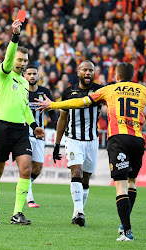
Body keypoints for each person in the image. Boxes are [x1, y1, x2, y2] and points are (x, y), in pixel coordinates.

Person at [34, 62, 146, 240]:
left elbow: (81, 102)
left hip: (118, 139)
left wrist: (52, 105)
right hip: (138, 140)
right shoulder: (143, 90)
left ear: (116, 76)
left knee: (121, 186)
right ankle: (119, 223)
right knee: (132, 183)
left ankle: (127, 232)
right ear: (133, 77)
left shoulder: (110, 90)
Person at [0, 19, 45, 225]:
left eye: (25, 60)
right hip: (1, 128)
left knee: (26, 170)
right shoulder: (3, 74)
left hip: (21, 130)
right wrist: (15, 36)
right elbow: (9, 56)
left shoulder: (23, 82)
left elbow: (23, 108)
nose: (22, 63)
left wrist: (34, 126)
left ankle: (17, 213)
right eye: (19, 60)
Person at [53, 60, 103, 227]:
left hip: (92, 140)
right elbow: (62, 119)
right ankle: (80, 212)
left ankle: (76, 213)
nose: (88, 73)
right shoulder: (69, 92)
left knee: (86, 179)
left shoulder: (100, 91)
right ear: (78, 72)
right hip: (73, 139)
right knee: (76, 171)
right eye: (84, 70)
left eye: (90, 70)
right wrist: (56, 144)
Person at [23, 65, 57, 208]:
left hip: (39, 137)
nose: (32, 76)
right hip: (23, 135)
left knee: (37, 169)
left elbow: (52, 112)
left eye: (34, 73)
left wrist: (56, 126)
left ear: (38, 76)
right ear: (24, 75)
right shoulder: (21, 91)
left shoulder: (44, 92)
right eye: (29, 73)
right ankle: (29, 198)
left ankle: (25, 186)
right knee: (26, 168)